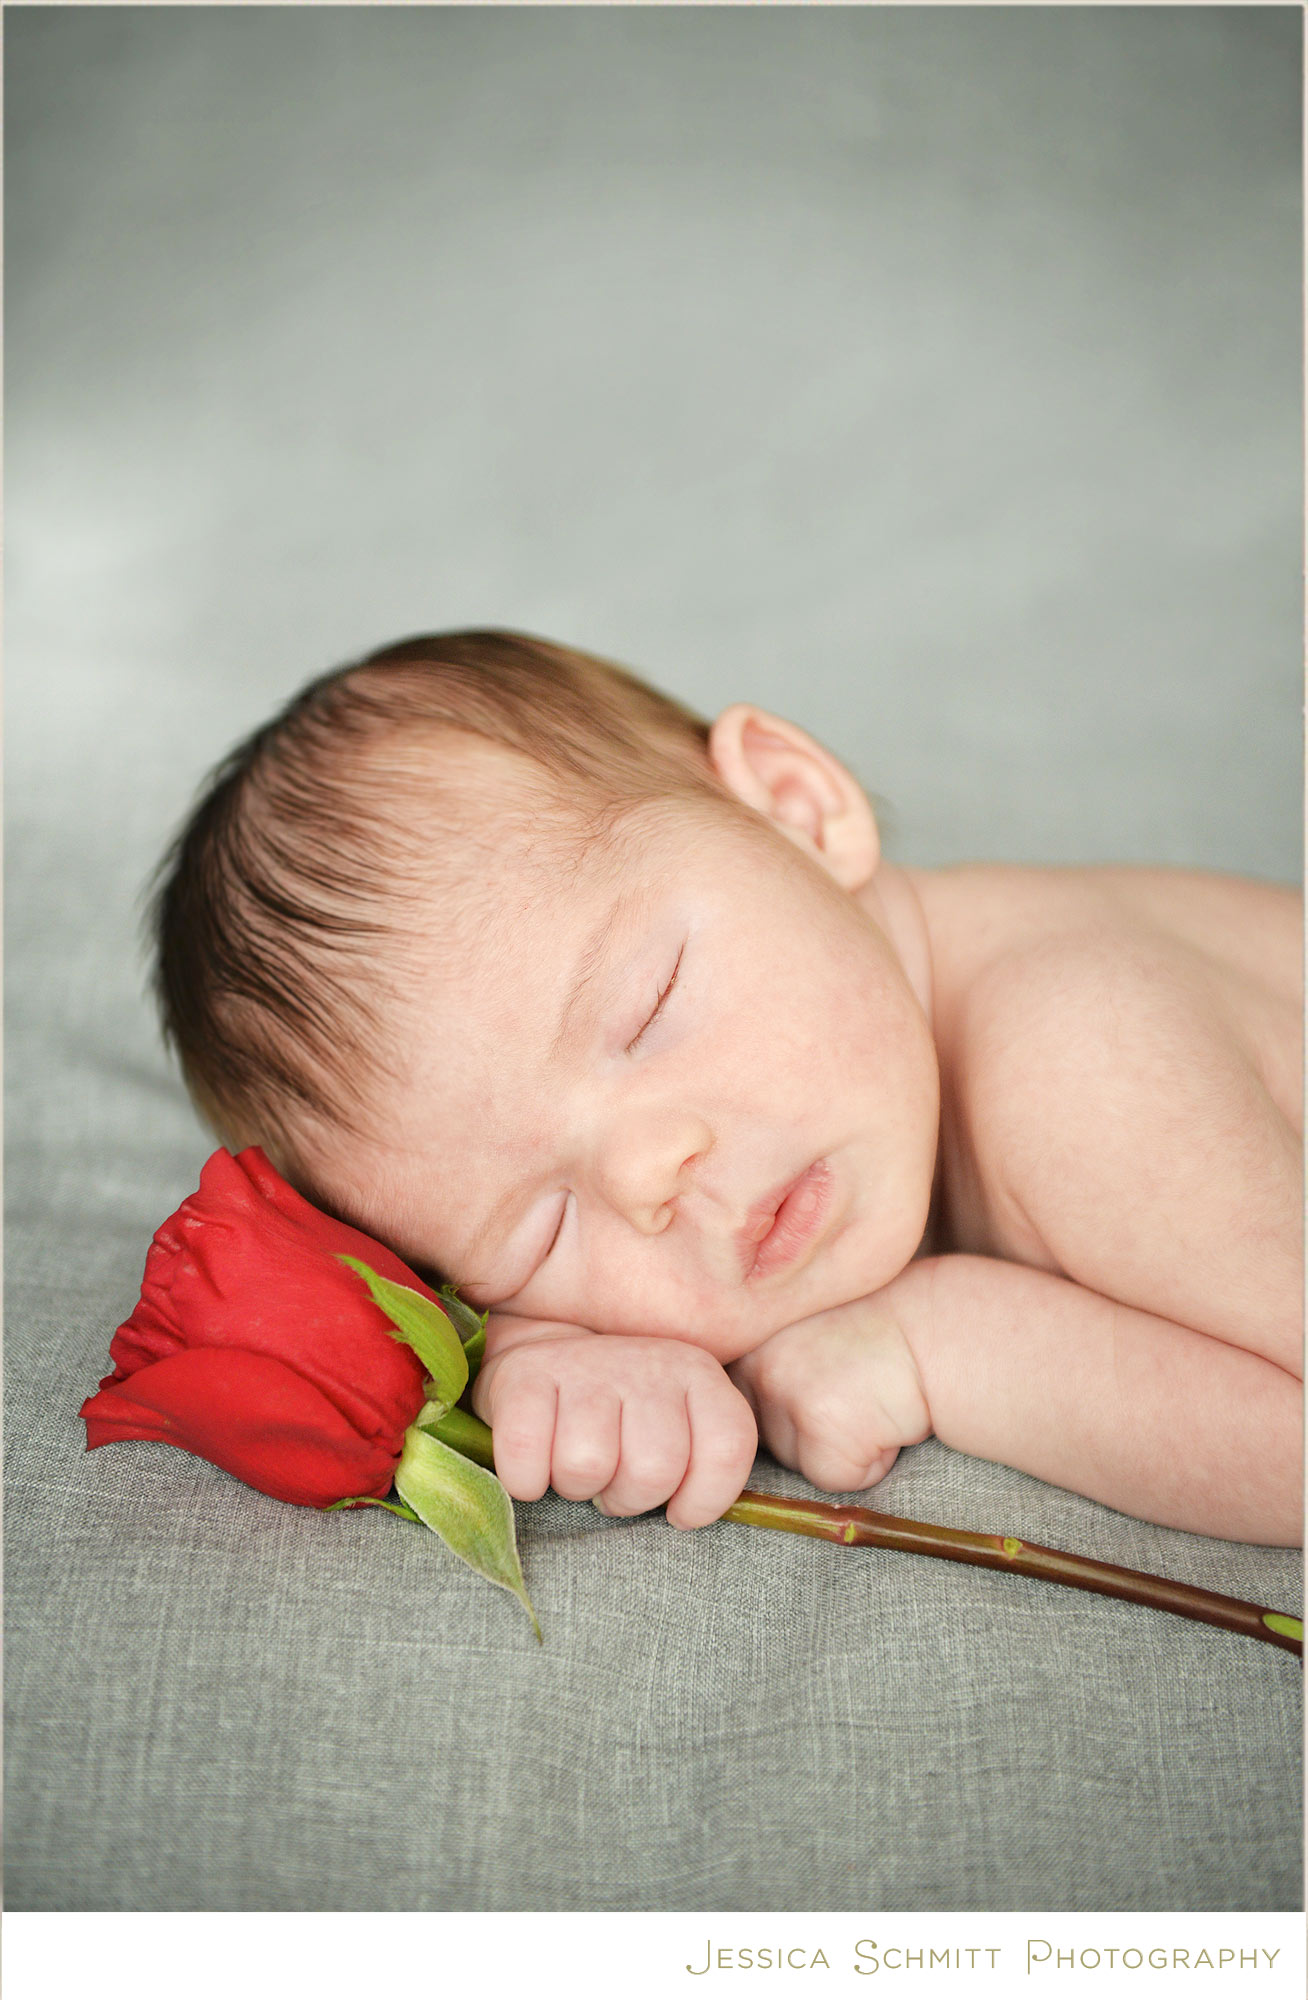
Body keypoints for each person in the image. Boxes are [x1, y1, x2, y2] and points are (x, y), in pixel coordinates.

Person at [154, 630, 1304, 1546]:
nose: (648, 1175)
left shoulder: (1081, 1058)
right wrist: (540, 1350)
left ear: (794, 808)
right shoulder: (857, 1096)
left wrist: (937, 1345)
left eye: (646, 1009)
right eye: (541, 1228)